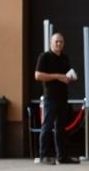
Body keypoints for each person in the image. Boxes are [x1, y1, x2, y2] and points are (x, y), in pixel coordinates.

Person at [33, 32, 78, 164]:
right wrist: (57, 76)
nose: (59, 44)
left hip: (63, 96)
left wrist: (70, 77)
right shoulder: (44, 57)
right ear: (51, 43)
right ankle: (44, 156)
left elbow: (66, 75)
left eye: (61, 42)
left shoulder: (64, 58)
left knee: (61, 128)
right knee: (47, 126)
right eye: (56, 41)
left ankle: (62, 156)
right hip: (50, 97)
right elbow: (38, 75)